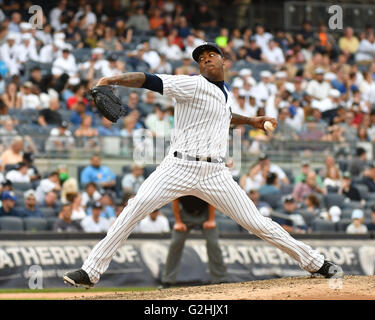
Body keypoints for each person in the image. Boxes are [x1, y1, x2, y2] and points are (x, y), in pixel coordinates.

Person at [64, 41, 341, 289]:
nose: (206, 59)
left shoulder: (224, 92)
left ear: (224, 62)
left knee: (258, 223)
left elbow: (225, 115)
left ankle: (315, 263)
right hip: (177, 168)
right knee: (133, 210)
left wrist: (251, 121)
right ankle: (91, 271)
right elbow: (148, 80)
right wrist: (111, 79)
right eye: (201, 58)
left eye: (211, 54)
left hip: (215, 174)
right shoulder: (193, 84)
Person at [161, 196, 227, 287]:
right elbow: (175, 201)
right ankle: (167, 280)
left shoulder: (204, 182)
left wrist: (211, 220)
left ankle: (220, 279)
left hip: (205, 213)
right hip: (185, 214)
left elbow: (212, 198)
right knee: (175, 243)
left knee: (213, 243)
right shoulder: (181, 184)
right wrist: (178, 222)